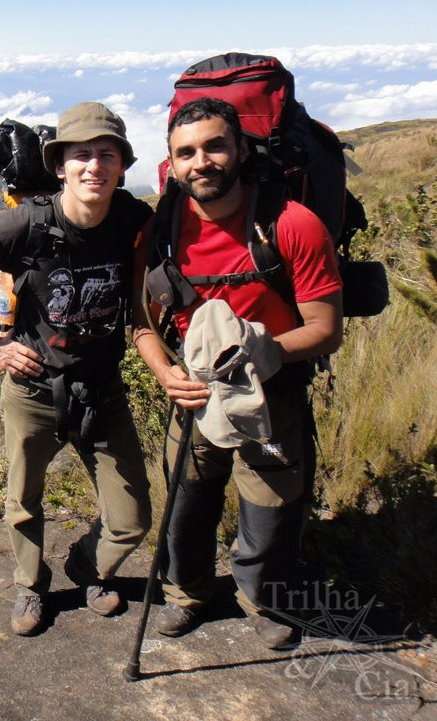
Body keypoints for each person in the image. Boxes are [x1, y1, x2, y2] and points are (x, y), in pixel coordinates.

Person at [0, 102, 153, 636]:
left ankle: (87, 565)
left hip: (102, 390)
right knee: (24, 500)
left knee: (133, 518)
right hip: (32, 391)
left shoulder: (134, 219)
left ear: (121, 166)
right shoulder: (26, 223)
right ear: (61, 165)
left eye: (107, 155)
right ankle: (30, 586)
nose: (95, 166)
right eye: (82, 155)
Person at [132, 97, 343, 649]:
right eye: (186, 153)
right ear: (172, 164)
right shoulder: (160, 230)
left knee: (270, 509)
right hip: (195, 396)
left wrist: (266, 350)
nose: (201, 161)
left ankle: (262, 598)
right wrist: (163, 372)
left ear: (241, 149)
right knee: (185, 505)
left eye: (214, 146)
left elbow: (325, 327)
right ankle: (188, 593)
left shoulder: (292, 225)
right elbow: (142, 323)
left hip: (272, 396)